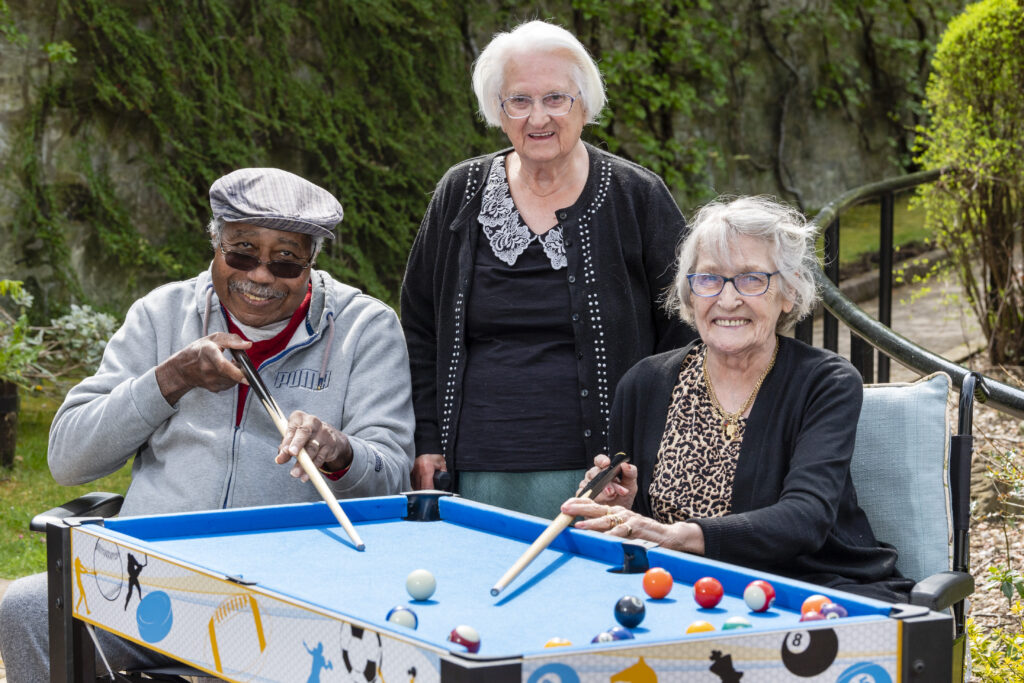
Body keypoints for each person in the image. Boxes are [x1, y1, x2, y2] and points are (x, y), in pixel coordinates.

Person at [0, 168, 415, 681]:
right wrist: (169, 380)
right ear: (215, 245)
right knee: (26, 607)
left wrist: (339, 451)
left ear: (312, 261)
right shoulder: (162, 312)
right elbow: (67, 459)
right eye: (242, 251)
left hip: (286, 593)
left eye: (286, 259)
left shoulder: (364, 328)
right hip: (147, 581)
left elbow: (394, 477)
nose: (261, 275)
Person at [401, 20, 696, 517]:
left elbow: (685, 329)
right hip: (474, 470)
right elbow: (420, 326)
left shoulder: (636, 195)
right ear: (499, 110)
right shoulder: (461, 191)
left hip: (602, 475)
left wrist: (644, 449)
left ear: (584, 105)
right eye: (519, 100)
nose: (538, 117)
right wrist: (427, 438)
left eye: (556, 98)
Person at [563, 196, 913, 602]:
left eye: (751, 279)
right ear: (690, 295)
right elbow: (639, 524)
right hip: (680, 592)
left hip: (806, 591)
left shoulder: (825, 382)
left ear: (787, 293)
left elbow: (806, 519)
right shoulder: (643, 384)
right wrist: (623, 503)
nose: (728, 300)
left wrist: (674, 536)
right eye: (710, 279)